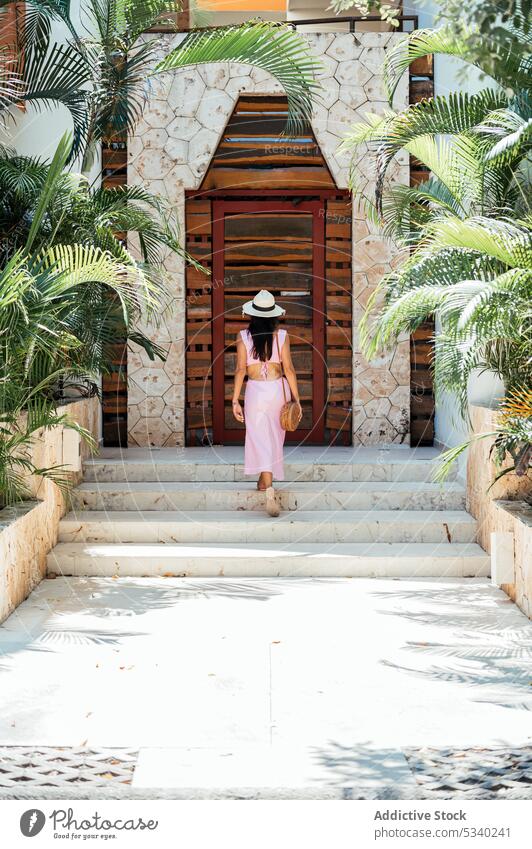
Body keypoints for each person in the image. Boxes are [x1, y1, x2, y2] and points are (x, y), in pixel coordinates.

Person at [232, 290, 301, 517]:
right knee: (273, 436)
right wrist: (297, 399)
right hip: (276, 390)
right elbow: (289, 369)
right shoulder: (282, 336)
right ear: (274, 315)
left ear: (252, 315)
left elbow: (241, 370)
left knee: (258, 436)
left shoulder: (242, 336)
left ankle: (269, 487)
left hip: (255, 390)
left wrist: (234, 400)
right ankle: (265, 480)